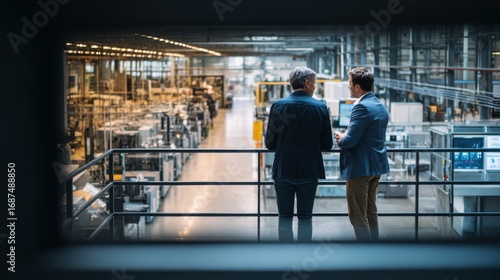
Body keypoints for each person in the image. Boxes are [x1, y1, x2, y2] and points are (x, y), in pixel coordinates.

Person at [265, 66, 333, 242]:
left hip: (283, 170)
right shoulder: (320, 107)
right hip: (309, 171)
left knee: (284, 218)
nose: (315, 88)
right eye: (314, 84)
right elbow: (327, 144)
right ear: (306, 83)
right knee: (305, 218)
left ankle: (286, 256)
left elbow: (269, 143)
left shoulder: (278, 106)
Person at [335, 67, 390, 241]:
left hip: (360, 168)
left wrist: (341, 137)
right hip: (376, 167)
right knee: (370, 212)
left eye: (350, 84)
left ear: (358, 87)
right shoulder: (379, 105)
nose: (349, 87)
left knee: (357, 216)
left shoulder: (361, 107)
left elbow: (349, 141)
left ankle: (366, 255)